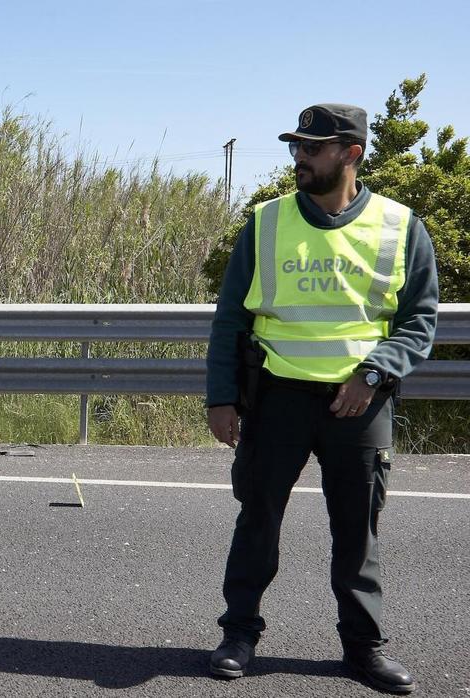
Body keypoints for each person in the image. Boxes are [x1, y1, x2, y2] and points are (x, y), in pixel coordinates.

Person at [204, 103, 439, 694]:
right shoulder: (265, 222)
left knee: (357, 532)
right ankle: (238, 634)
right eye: (296, 147)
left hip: (360, 405)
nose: (300, 157)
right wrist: (222, 397)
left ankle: (365, 649)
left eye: (313, 147)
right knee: (256, 520)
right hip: (276, 397)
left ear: (351, 153)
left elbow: (418, 321)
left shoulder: (399, 227)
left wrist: (373, 375)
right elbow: (230, 318)